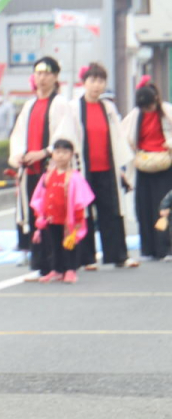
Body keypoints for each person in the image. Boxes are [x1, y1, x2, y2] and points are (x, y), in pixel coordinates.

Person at [52, 63, 137, 270]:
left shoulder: (108, 108)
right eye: (93, 80)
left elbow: (118, 138)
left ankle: (118, 256)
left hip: (107, 169)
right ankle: (86, 258)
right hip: (83, 170)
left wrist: (121, 170)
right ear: (84, 82)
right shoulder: (74, 108)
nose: (97, 85)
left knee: (112, 211)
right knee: (83, 213)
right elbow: (65, 137)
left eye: (101, 81)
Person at [8, 57, 70, 279]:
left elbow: (65, 136)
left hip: (51, 169)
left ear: (55, 77)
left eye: (46, 73)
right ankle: (40, 264)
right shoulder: (29, 105)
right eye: (38, 73)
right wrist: (18, 155)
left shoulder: (60, 103)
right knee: (35, 217)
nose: (41, 78)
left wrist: (45, 152)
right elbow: (18, 135)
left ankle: (56, 265)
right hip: (30, 170)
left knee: (52, 217)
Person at [29, 139, 95, 283]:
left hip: (68, 219)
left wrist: (78, 218)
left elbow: (80, 199)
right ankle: (56, 270)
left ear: (71, 155)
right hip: (51, 217)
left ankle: (70, 270)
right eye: (57, 152)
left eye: (65, 152)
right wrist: (40, 215)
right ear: (52, 154)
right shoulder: (47, 176)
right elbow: (40, 197)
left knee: (69, 245)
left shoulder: (75, 177)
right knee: (54, 245)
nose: (61, 156)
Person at [122, 85, 172, 261]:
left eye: (149, 106)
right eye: (144, 107)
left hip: (165, 165)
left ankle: (166, 248)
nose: (147, 110)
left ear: (156, 100)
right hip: (143, 166)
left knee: (164, 207)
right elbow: (123, 136)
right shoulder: (135, 116)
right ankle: (148, 249)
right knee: (143, 207)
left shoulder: (167, 111)